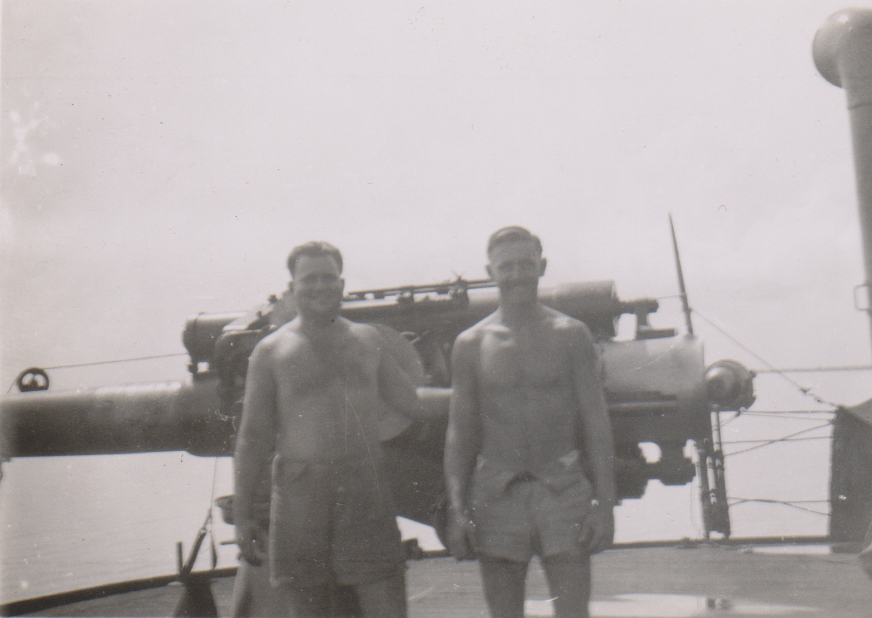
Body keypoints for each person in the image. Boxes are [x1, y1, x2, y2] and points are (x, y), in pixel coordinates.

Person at [233, 241, 448, 618]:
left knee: (385, 602)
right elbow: (252, 437)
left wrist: (476, 394)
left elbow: (411, 401)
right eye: (309, 279)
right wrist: (244, 514)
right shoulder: (271, 351)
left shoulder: (368, 340)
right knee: (308, 607)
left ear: (342, 283)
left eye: (328, 278)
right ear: (292, 286)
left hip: (365, 489)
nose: (320, 286)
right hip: (299, 495)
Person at [444, 226, 616, 618]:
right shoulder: (471, 344)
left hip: (563, 486)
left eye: (526, 264)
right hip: (496, 491)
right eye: (507, 266)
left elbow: (596, 422)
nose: (517, 274)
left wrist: (604, 505)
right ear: (490, 271)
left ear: (542, 266)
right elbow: (460, 433)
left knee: (574, 612)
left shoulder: (571, 334)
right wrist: (457, 509)